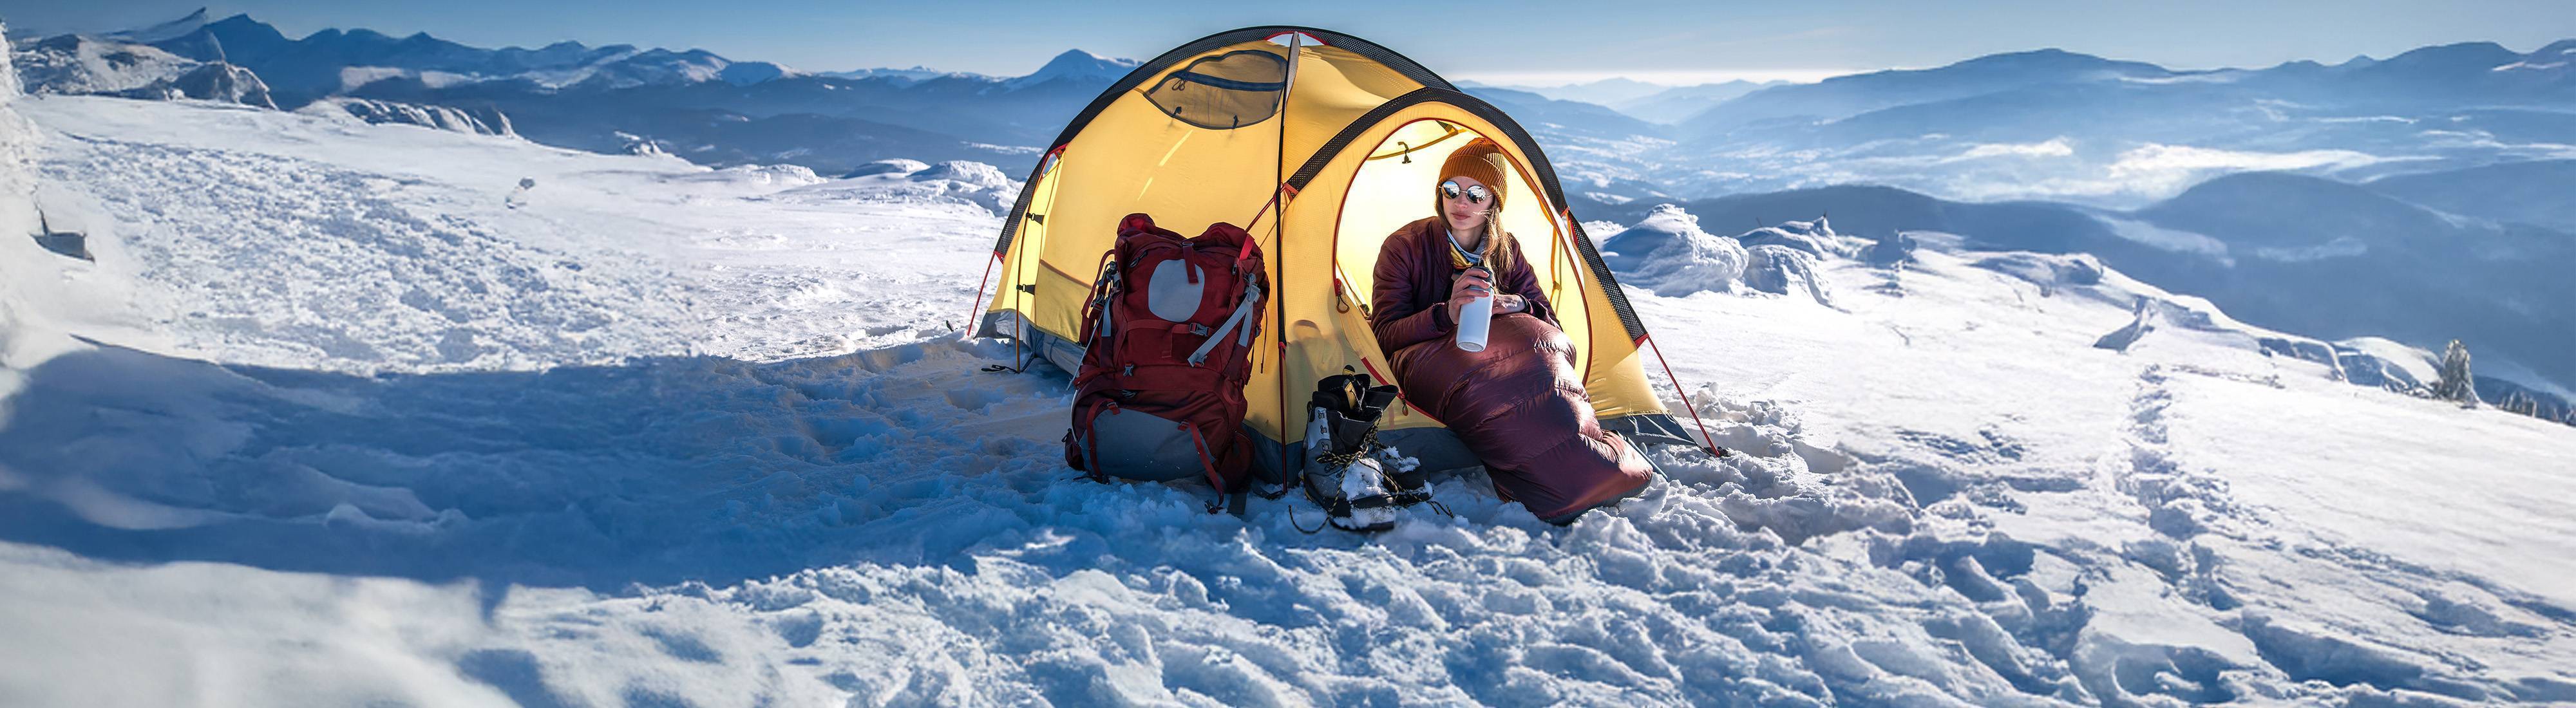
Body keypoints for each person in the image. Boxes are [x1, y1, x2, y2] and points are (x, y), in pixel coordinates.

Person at [1368, 138, 1651, 524]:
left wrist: (1517, 304)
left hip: (1506, 362)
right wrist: (1446, 314)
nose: (1461, 202)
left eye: (1476, 194)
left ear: (1493, 203)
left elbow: (1549, 322)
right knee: (1505, 396)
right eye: (1451, 190)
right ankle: (1584, 471)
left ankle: (1583, 452)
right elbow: (1385, 335)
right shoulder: (1405, 247)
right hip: (1435, 364)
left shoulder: (1506, 249)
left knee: (1543, 350)